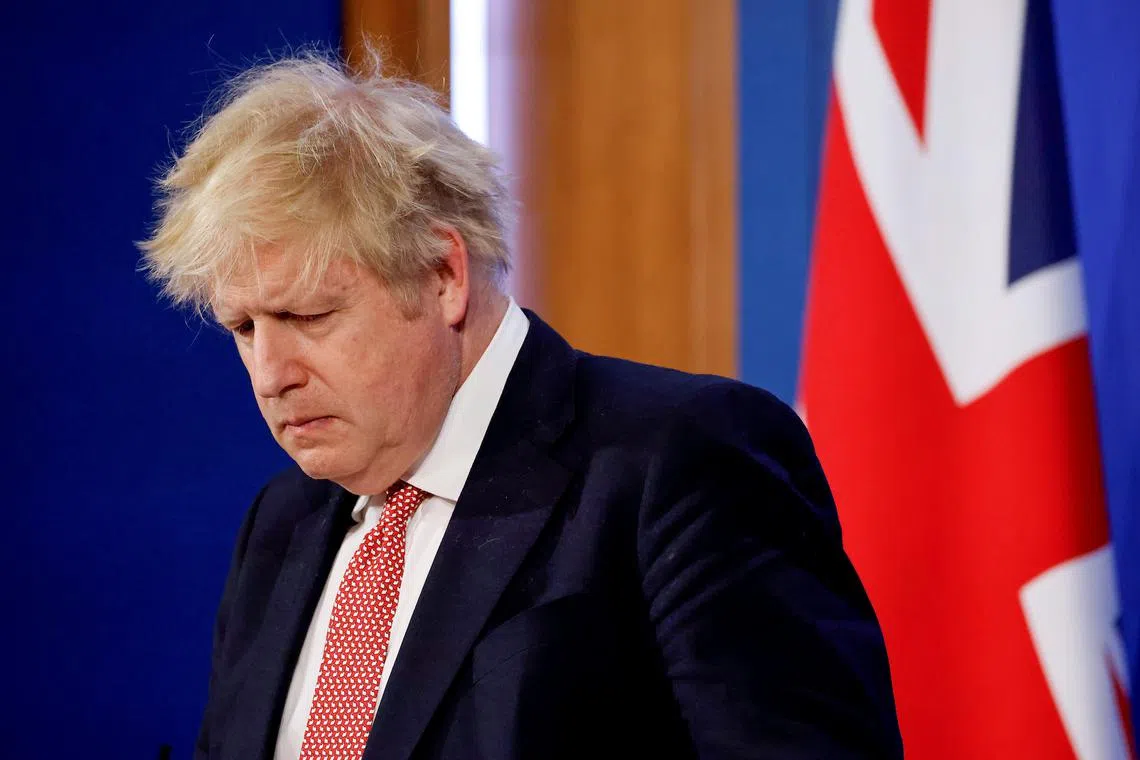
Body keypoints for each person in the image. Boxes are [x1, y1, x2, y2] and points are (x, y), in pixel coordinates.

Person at [140, 49, 903, 760]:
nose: (270, 373)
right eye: (243, 328)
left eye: (308, 317)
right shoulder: (281, 523)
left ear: (443, 274)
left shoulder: (678, 464)